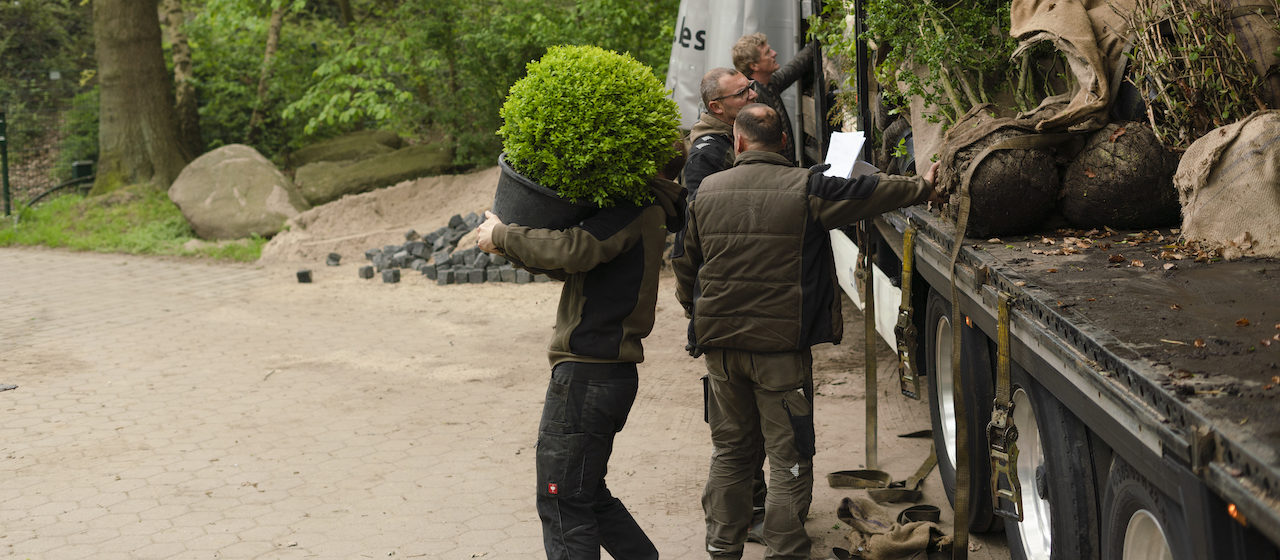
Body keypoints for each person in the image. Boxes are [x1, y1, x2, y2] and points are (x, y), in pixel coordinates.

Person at [672, 103, 943, 560]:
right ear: (784, 142)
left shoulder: (704, 192)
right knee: (789, 459)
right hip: (779, 351)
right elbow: (869, 190)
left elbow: (685, 265)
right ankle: (785, 551)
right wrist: (923, 186)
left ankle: (721, 547)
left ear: (737, 141)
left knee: (731, 453)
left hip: (720, 348)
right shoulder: (807, 187)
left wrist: (697, 315)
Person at [475, 170, 685, 560]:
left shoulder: (631, 208)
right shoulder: (647, 210)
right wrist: (509, 246)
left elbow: (575, 249)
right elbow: (572, 263)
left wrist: (504, 234)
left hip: (588, 374)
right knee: (586, 494)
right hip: (605, 372)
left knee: (562, 500)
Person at [732, 33, 816, 164]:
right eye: (767, 53)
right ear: (754, 66)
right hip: (775, 173)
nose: (774, 53)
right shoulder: (754, 99)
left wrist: (818, 41)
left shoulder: (770, 84)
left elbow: (795, 67)